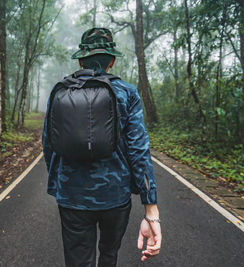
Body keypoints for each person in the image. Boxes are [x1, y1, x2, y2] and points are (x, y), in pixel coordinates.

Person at [42, 28, 161, 267]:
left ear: (80, 59)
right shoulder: (127, 92)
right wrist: (151, 210)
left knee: (78, 261)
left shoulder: (61, 90)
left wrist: (60, 183)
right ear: (112, 61)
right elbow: (139, 151)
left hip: (72, 198)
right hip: (115, 197)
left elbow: (49, 144)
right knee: (109, 254)